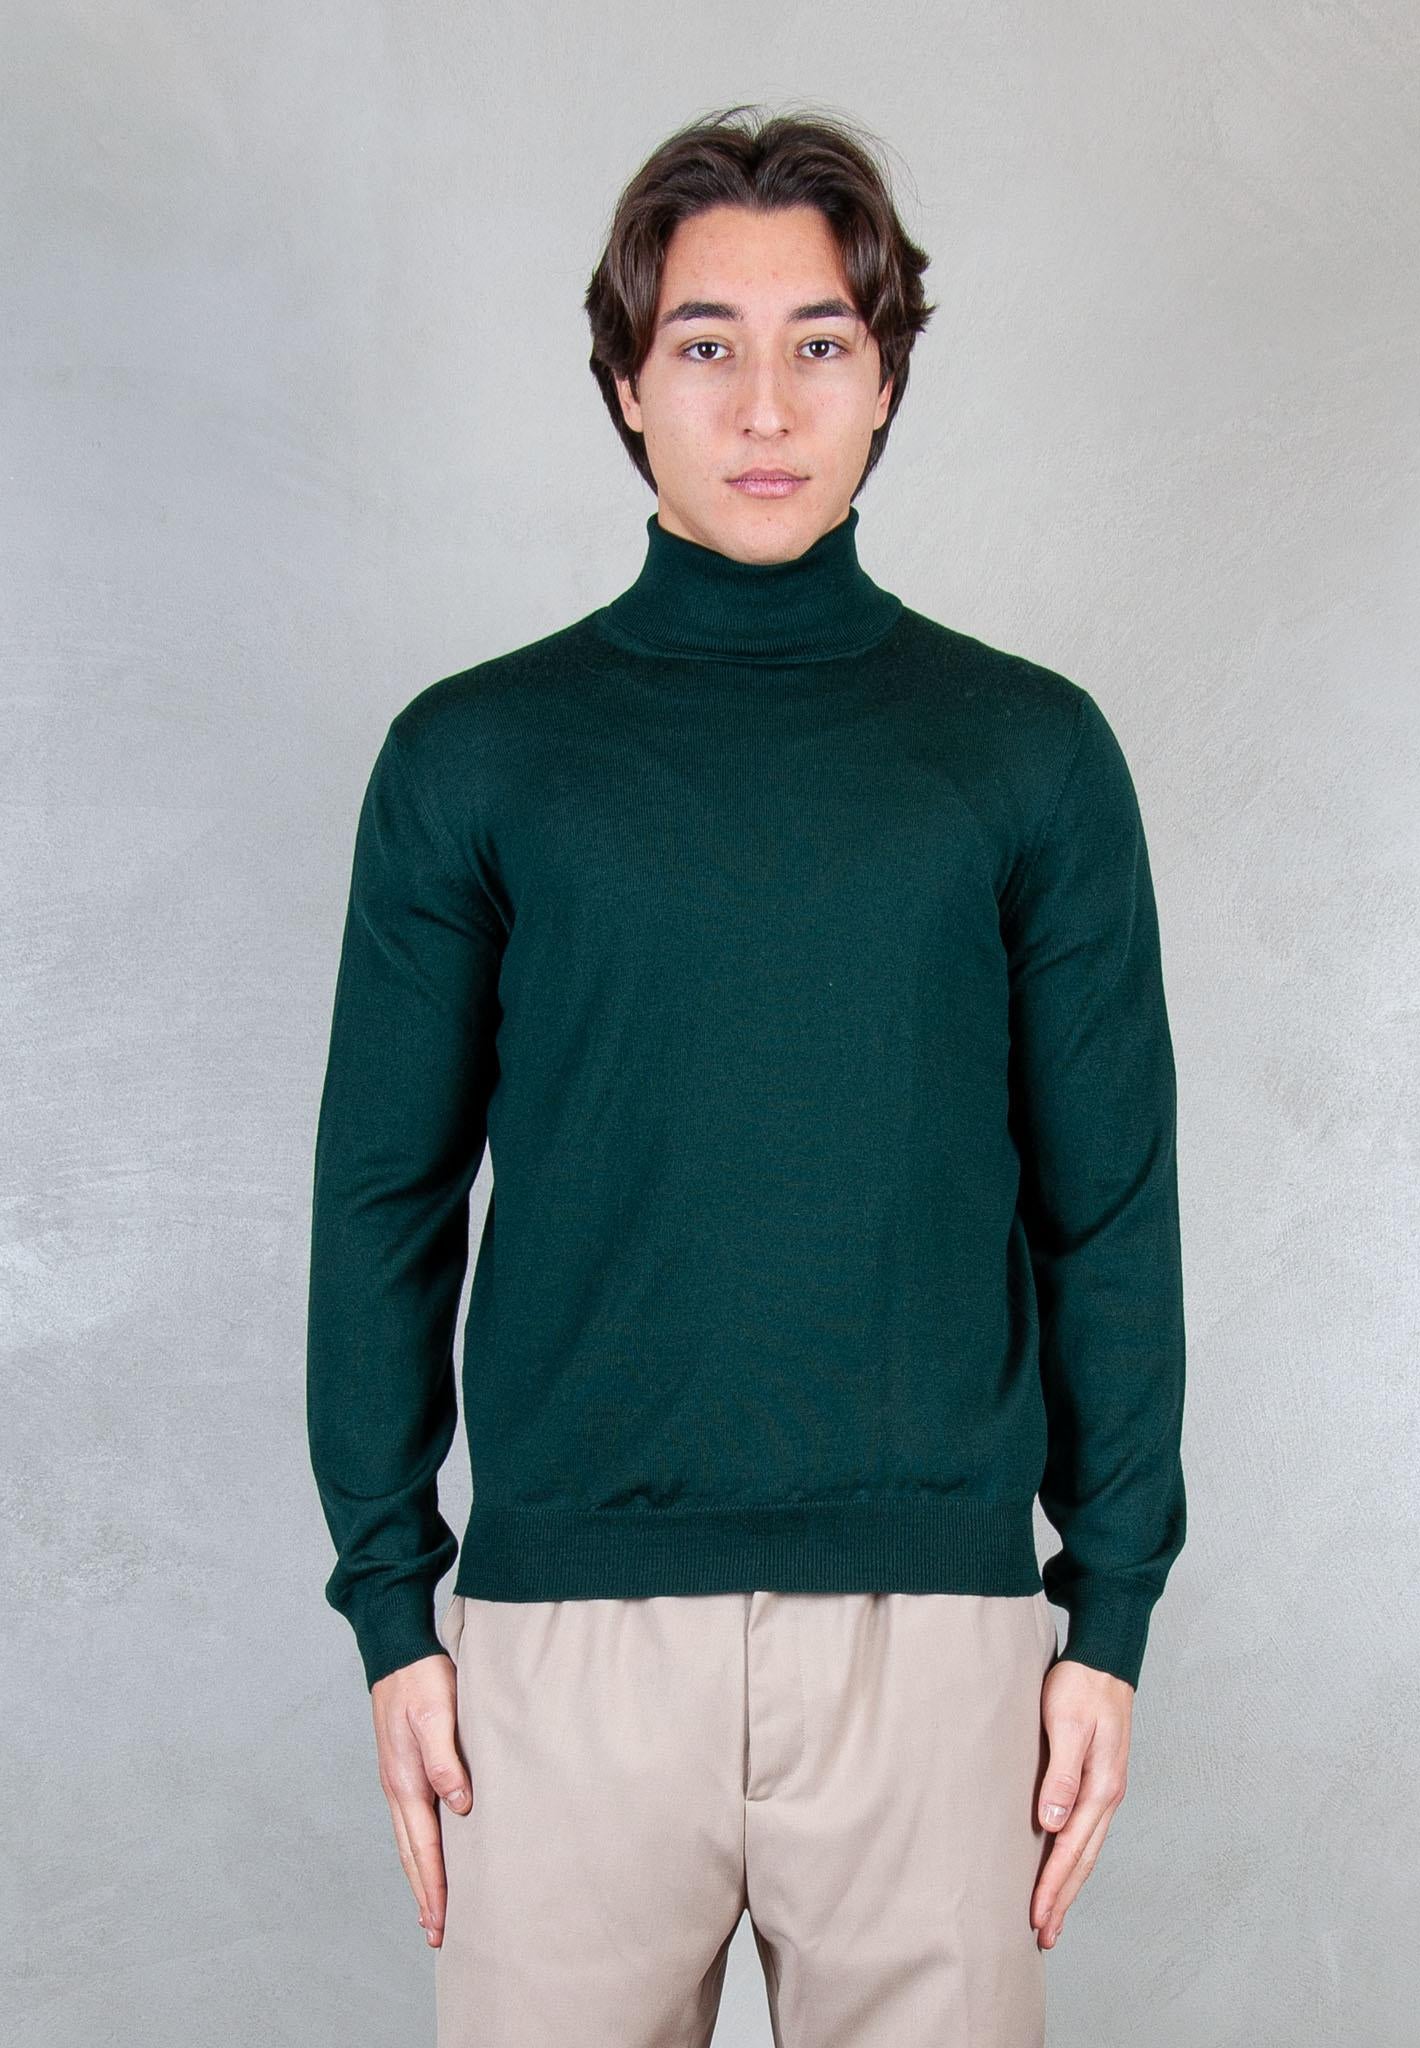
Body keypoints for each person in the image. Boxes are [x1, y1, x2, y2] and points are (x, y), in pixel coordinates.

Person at [306, 103, 1187, 2048]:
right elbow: (383, 1198)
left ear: (885, 378)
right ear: (627, 380)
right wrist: (389, 1604)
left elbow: (1105, 1207)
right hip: (560, 1650)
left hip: (935, 1645)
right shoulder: (476, 756)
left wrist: (1106, 1611)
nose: (764, 403)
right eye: (704, 343)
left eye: (819, 343)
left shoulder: (1026, 755)